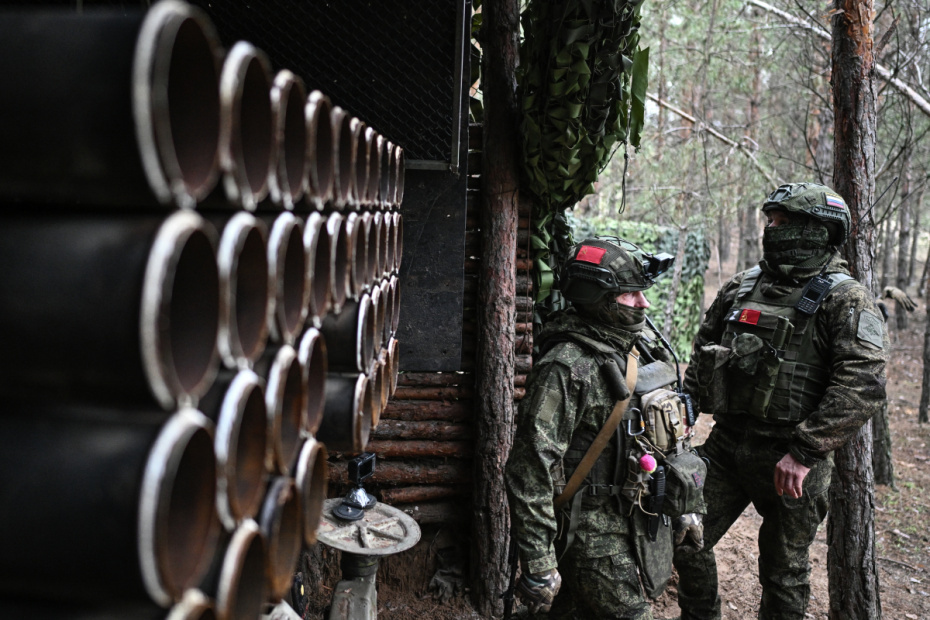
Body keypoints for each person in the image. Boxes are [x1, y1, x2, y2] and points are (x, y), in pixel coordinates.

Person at [674, 182, 888, 620]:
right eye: (770, 220)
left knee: (783, 574)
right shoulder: (742, 286)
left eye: (782, 221)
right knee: (682, 535)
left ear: (816, 230)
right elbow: (704, 348)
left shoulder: (845, 298)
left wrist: (805, 451)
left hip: (791, 460)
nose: (771, 229)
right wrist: (687, 407)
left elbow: (862, 384)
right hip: (727, 446)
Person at [506, 236, 706, 619]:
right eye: (631, 295)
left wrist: (687, 505)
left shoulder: (634, 347)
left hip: (634, 515)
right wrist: (539, 562)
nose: (644, 303)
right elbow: (529, 468)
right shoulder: (566, 367)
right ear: (599, 299)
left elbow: (668, 438)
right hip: (589, 531)